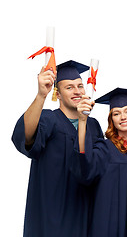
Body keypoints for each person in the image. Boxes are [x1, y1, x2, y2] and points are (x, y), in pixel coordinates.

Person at [11, 60, 103, 237]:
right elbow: (26, 138)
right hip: (52, 215)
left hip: (85, 213)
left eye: (80, 86)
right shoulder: (48, 119)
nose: (77, 91)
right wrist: (41, 96)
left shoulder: (93, 126)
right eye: (69, 87)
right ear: (57, 94)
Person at [73, 88, 127, 237]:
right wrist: (82, 121)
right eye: (116, 114)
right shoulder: (105, 148)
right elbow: (85, 166)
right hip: (112, 228)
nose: (123, 117)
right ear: (112, 120)